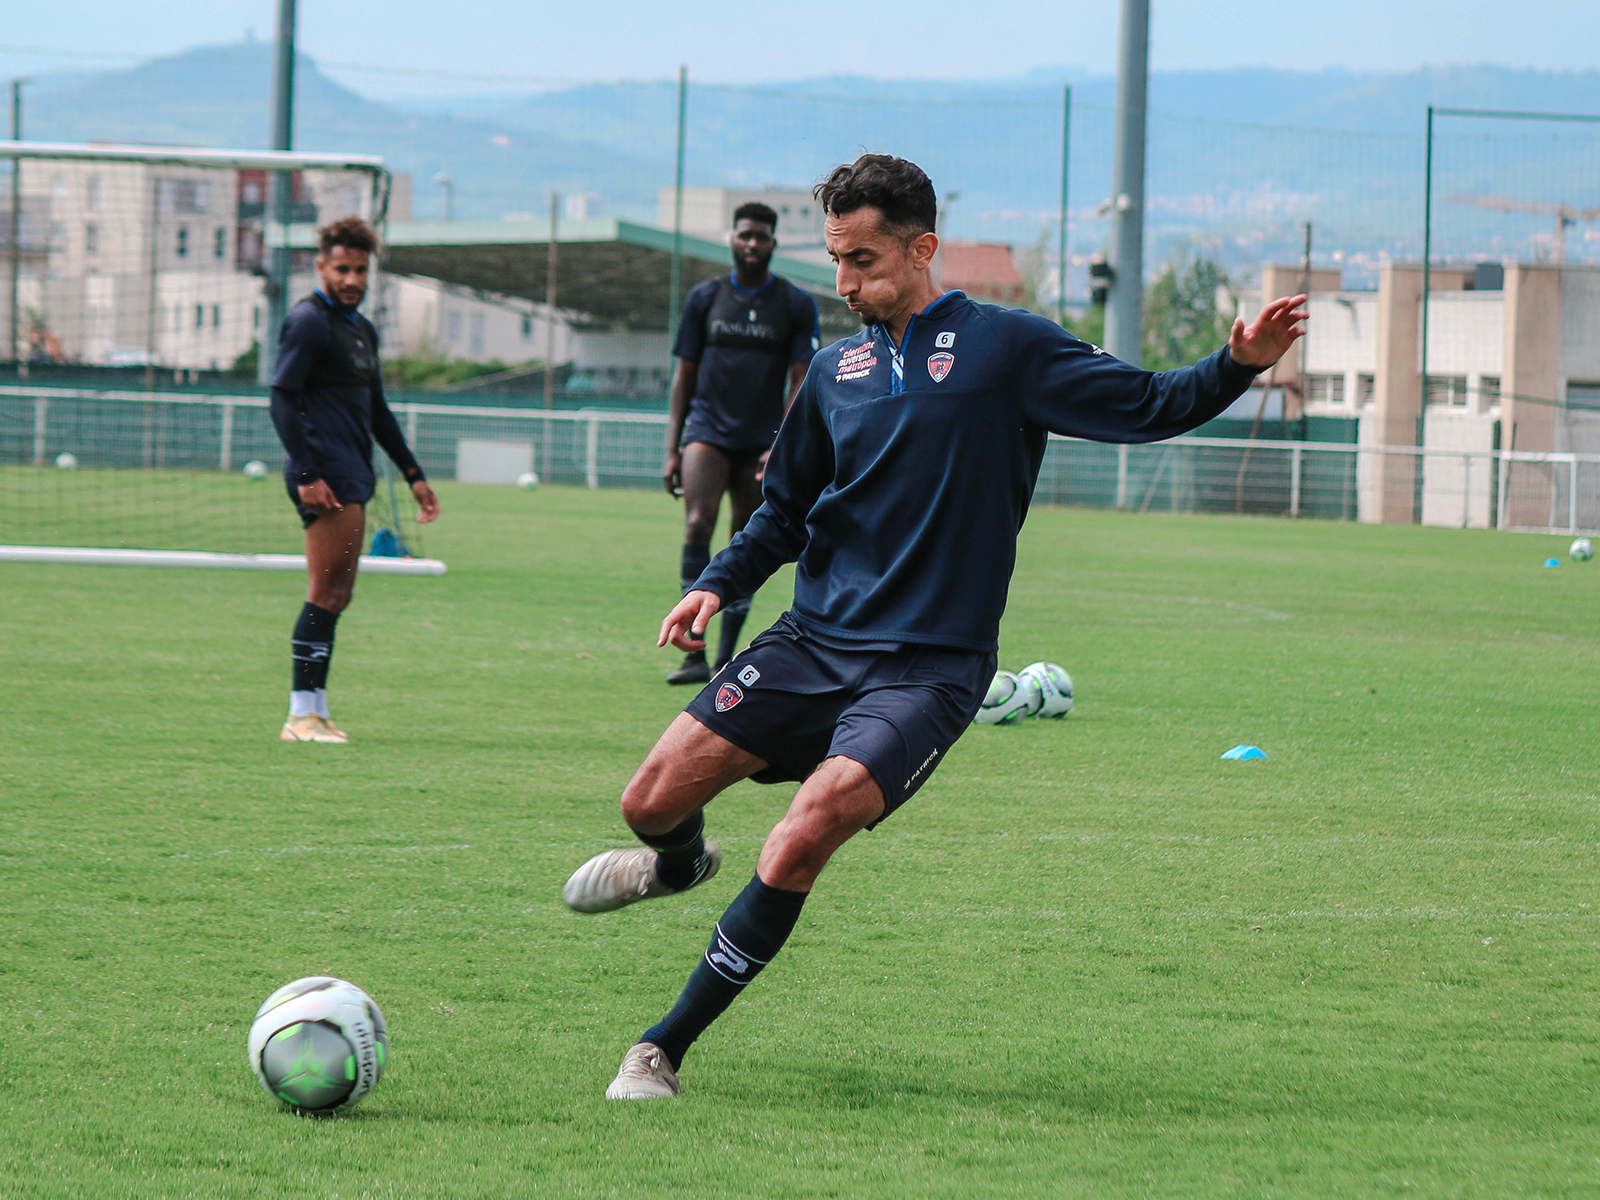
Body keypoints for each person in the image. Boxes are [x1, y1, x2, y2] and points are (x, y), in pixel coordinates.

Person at [563, 154, 1307, 1100]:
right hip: (813, 642)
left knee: (801, 835)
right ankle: (679, 865)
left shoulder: (1008, 350)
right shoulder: (834, 373)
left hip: (930, 669)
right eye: (834, 259)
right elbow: (783, 514)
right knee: (648, 802)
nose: (843, 283)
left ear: (923, 249)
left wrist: (1237, 364)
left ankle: (659, 1048)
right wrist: (716, 583)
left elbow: (1149, 404)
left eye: (863, 260)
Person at [268, 216, 439, 744]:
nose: (351, 279)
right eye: (342, 268)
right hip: (326, 475)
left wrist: (413, 474)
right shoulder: (309, 321)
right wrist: (305, 472)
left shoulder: (359, 328)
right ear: (321, 267)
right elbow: (281, 397)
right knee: (324, 592)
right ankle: (300, 716)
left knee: (338, 595)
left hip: (352, 472)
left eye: (360, 270)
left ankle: (315, 713)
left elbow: (378, 411)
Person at [662, 201, 820, 684]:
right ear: (732, 238)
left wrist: (783, 443)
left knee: (743, 539)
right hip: (707, 430)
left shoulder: (794, 303)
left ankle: (724, 658)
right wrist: (673, 446)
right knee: (696, 523)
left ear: (773, 243)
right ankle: (694, 651)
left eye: (762, 237)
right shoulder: (705, 298)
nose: (752, 244)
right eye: (744, 235)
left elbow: (801, 379)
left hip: (761, 439)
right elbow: (683, 374)